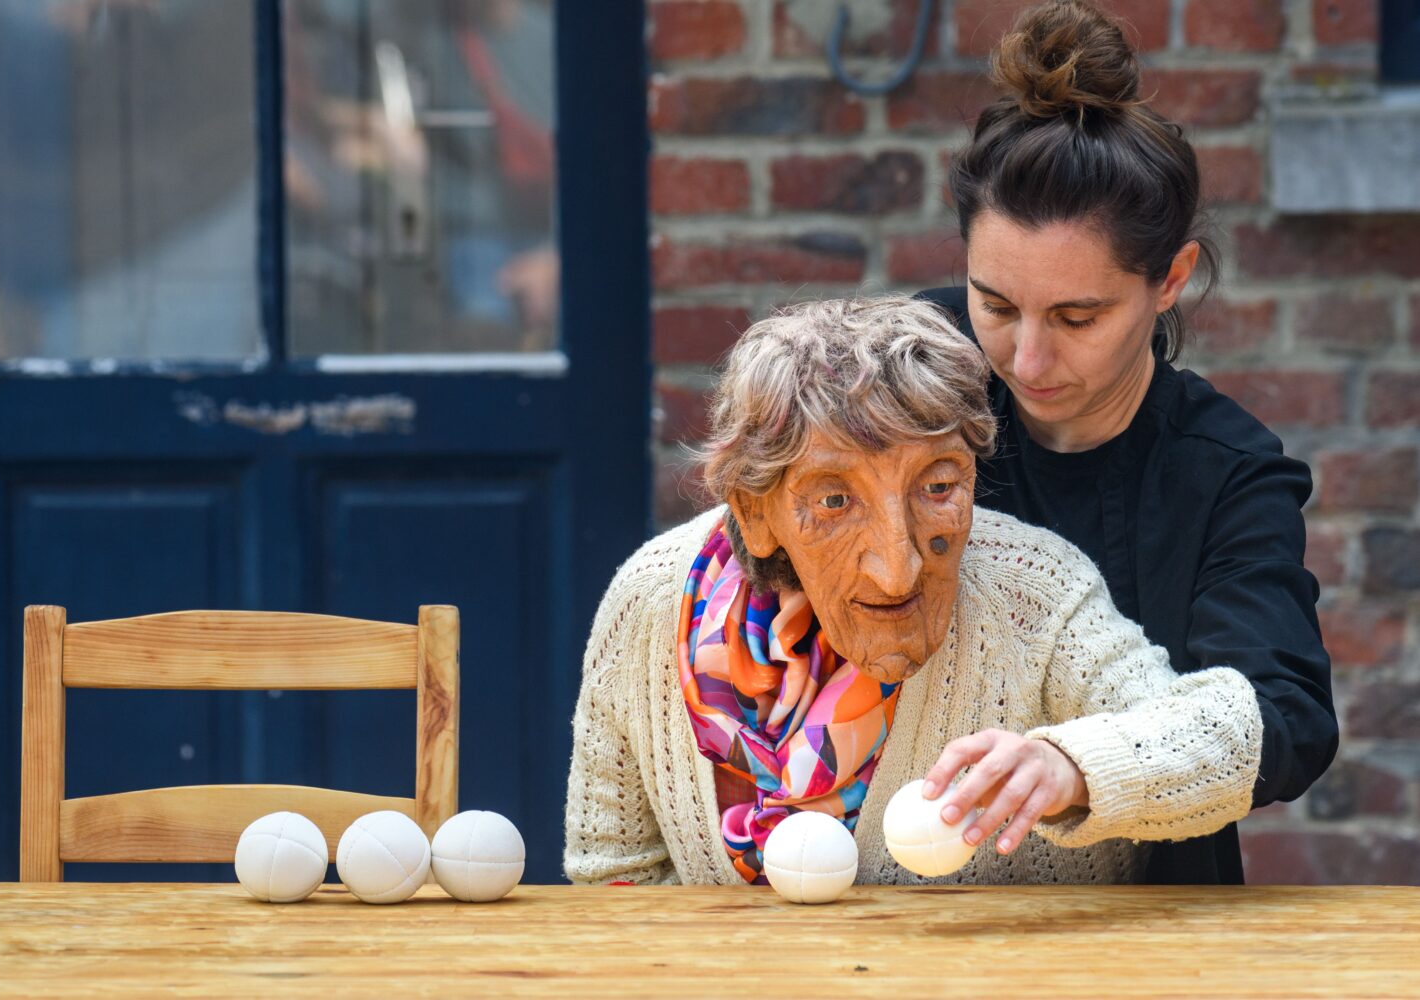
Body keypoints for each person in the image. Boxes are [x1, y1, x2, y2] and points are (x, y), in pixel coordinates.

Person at [564, 296, 1264, 886]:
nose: (896, 571)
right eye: (835, 500)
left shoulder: (1035, 593)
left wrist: (1071, 765)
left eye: (937, 487)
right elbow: (615, 882)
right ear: (756, 510)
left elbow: (1225, 741)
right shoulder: (651, 604)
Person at [916, 0, 1337, 883]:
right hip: (908, 904)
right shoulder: (909, 375)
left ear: (1171, 278)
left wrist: (1077, 766)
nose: (1025, 358)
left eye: (1078, 316)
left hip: (1154, 908)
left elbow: (1283, 714)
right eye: (995, 304)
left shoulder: (1228, 475)